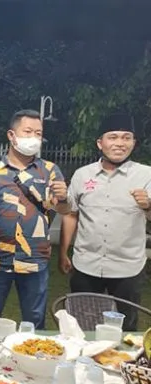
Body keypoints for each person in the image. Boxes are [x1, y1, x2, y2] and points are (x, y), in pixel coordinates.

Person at [0, 109, 71, 329]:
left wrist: (64, 197)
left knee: (35, 321)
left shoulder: (49, 170)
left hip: (34, 258)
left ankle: (32, 351)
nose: (34, 138)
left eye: (38, 133)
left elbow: (63, 209)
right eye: (28, 132)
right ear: (11, 135)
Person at [60, 113, 151, 331]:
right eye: (113, 137)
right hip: (86, 264)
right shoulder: (83, 175)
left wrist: (148, 206)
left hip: (127, 267)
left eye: (126, 137)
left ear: (133, 143)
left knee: (125, 329)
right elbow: (71, 214)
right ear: (100, 143)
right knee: (82, 326)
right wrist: (63, 252)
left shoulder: (146, 175)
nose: (120, 143)